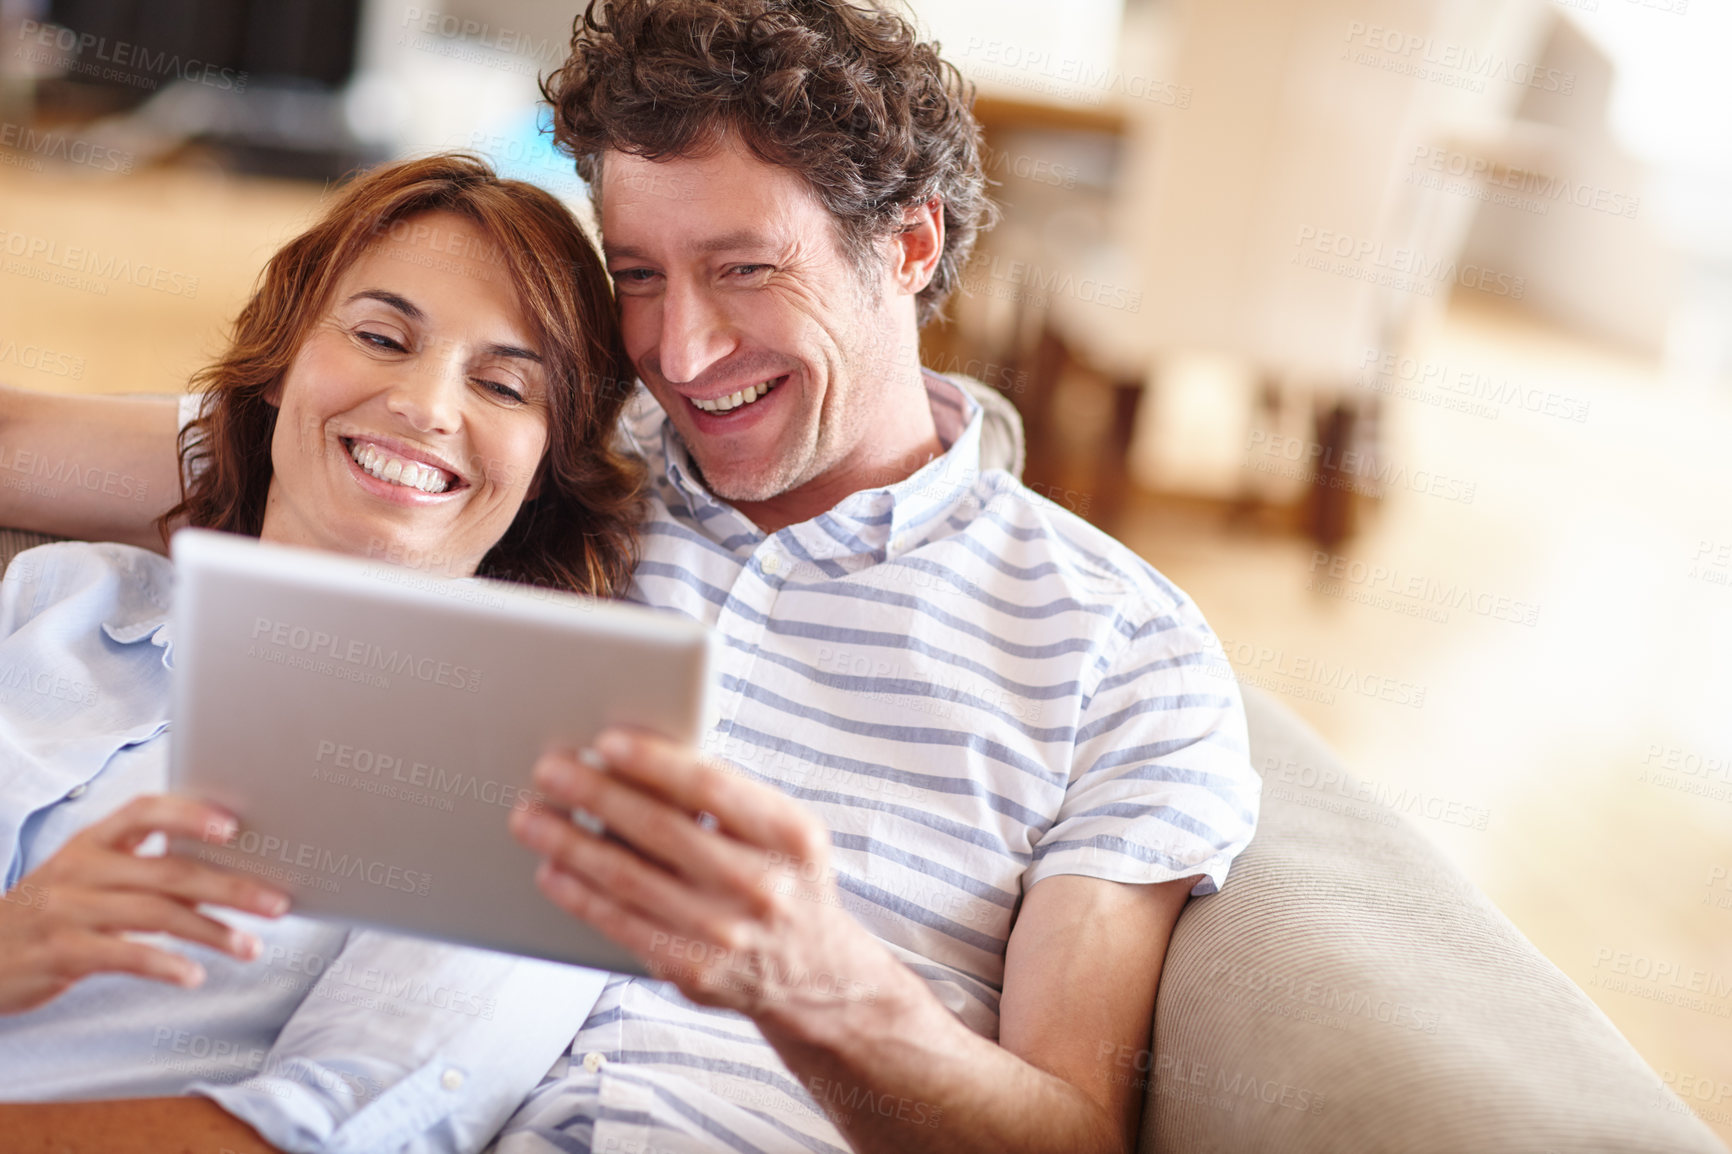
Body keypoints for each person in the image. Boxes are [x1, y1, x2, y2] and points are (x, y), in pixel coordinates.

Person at [0, 3, 1263, 1153]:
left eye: (743, 268)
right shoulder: (528, 451)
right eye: (639, 277)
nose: (682, 350)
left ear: (911, 244)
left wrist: (815, 983)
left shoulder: (1122, 648)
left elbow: (1071, 1135)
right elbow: (259, 446)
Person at [0, 152, 645, 1154]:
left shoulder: (542, 767)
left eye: (507, 386)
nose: (426, 404)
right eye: (381, 335)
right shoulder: (55, 599)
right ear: (281, 366)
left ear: (546, 474)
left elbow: (342, 1128)